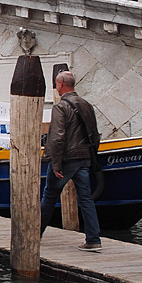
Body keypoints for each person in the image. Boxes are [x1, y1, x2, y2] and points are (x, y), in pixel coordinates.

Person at [40, 71, 103, 252]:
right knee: (85, 199)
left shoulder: (61, 107)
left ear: (60, 84)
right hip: (84, 157)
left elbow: (58, 137)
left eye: (56, 84)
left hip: (67, 158)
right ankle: (93, 238)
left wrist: (57, 163)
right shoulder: (87, 105)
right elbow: (94, 134)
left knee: (50, 195)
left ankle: (36, 234)